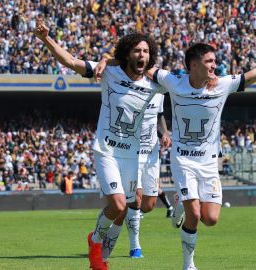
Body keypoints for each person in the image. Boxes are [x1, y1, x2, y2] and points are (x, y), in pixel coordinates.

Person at [96, 32, 256, 270]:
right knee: (195, 215)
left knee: (211, 218)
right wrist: (107, 61)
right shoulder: (172, 81)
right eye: (209, 61)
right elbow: (135, 64)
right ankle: (189, 265)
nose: (215, 65)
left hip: (209, 163)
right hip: (183, 160)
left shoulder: (223, 84)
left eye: (214, 61)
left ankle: (179, 201)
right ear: (194, 65)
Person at [35, 21, 165, 270]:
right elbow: (72, 62)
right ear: (127, 53)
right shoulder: (109, 72)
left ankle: (94, 239)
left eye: (146, 52)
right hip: (106, 149)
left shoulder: (154, 83)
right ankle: (97, 250)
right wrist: (46, 39)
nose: (142, 55)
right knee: (117, 204)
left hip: (131, 154)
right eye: (137, 50)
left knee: (130, 206)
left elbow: (186, 85)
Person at [101, 93, 171, 260]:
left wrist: (165, 133)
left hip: (152, 154)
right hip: (132, 153)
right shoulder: (131, 89)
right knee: (135, 200)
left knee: (148, 205)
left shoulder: (159, 90)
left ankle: (107, 234)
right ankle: (135, 246)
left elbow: (159, 116)